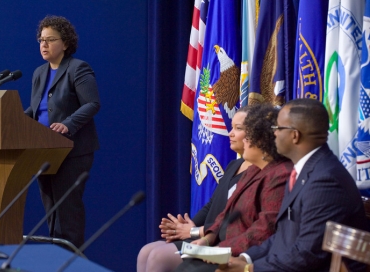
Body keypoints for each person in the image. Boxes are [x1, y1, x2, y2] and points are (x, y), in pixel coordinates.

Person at [220, 98, 368, 272]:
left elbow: (307, 256)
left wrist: (250, 269)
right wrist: (246, 258)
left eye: (278, 128)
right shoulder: (305, 170)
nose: (273, 134)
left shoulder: (325, 181)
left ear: (294, 135)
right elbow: (283, 237)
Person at [174, 103, 293, 272]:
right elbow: (225, 213)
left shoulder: (280, 175)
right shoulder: (252, 169)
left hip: (241, 256)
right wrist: (206, 240)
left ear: (261, 140)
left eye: (247, 136)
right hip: (221, 247)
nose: (242, 141)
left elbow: (264, 229)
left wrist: (219, 250)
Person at [137, 106, 253, 271]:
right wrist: (185, 227)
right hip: (207, 234)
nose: (230, 133)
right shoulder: (234, 165)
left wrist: (193, 231)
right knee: (146, 251)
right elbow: (212, 205)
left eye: (238, 128)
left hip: (224, 241)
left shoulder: (260, 174)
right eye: (232, 127)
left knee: (158, 257)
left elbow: (240, 218)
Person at [24, 15, 101, 249]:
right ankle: (55, 257)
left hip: (72, 151)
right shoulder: (39, 72)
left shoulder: (78, 68)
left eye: (50, 39)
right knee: (51, 210)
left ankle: (70, 259)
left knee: (67, 211)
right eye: (41, 40)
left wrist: (68, 123)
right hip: (45, 149)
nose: (43, 45)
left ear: (65, 43)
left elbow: (92, 104)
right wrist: (15, 120)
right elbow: (36, 109)